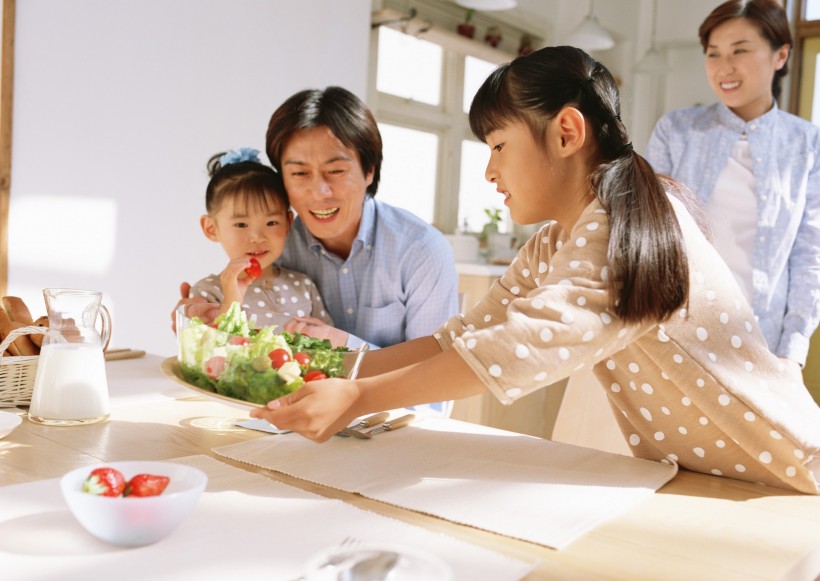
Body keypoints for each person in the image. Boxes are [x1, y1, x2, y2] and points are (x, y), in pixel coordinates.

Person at [250, 46, 820, 495]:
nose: (489, 171)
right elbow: (462, 337)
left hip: (786, 475)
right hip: (709, 480)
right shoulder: (554, 241)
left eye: (498, 145)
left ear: (567, 133)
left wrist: (356, 397)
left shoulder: (629, 225)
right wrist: (335, 370)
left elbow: (517, 346)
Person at [177, 88, 459, 352]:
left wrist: (344, 345)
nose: (319, 192)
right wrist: (197, 320)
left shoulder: (421, 250)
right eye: (299, 173)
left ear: (369, 170)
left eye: (336, 171)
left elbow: (433, 365)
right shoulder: (273, 243)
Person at [646, 0, 820, 377]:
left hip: (762, 342)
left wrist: (793, 351)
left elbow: (811, 252)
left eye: (740, 51)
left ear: (780, 55)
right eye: (713, 53)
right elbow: (650, 231)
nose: (724, 67)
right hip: (675, 329)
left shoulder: (808, 144)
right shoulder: (676, 130)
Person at [189, 148, 333, 329]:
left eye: (271, 222)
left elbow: (333, 341)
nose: (257, 238)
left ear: (288, 223)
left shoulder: (303, 285)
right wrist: (231, 301)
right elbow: (207, 345)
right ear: (211, 228)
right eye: (241, 224)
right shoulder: (208, 292)